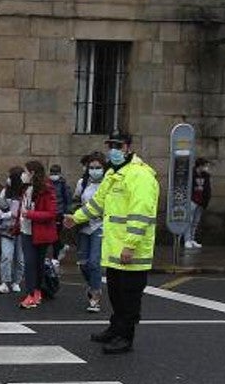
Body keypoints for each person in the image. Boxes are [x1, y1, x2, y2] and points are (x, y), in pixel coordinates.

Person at [65, 132, 159, 354]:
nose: (113, 151)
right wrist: (76, 218)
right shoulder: (113, 174)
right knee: (116, 292)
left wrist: (130, 245)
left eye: (117, 146)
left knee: (129, 296)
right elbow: (98, 203)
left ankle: (126, 337)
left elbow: (141, 213)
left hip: (131, 251)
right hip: (115, 249)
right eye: (110, 146)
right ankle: (115, 329)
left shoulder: (140, 175)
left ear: (127, 147)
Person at [18, 160, 59, 309]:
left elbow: (51, 213)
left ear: (32, 173)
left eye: (26, 172)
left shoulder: (46, 189)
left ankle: (33, 293)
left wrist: (30, 214)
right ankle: (33, 292)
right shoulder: (26, 189)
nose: (24, 175)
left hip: (39, 232)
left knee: (36, 263)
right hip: (26, 230)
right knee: (30, 263)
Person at [73, 152, 106, 313]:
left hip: (100, 226)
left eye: (98, 167)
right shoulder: (82, 183)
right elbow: (75, 201)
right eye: (91, 167)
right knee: (83, 263)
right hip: (84, 225)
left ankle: (95, 295)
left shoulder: (108, 183)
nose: (94, 170)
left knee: (94, 262)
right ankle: (92, 284)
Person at [0, 167, 26, 294]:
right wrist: (10, 214)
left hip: (22, 229)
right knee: (6, 256)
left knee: (20, 258)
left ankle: (16, 281)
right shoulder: (5, 192)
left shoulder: (25, 193)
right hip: (6, 230)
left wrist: (16, 214)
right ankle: (5, 282)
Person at [186, 158, 212, 249]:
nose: (207, 168)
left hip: (201, 201)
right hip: (192, 200)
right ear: (200, 166)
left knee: (195, 221)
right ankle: (187, 240)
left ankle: (192, 239)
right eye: (206, 166)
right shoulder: (191, 174)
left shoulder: (206, 176)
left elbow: (207, 188)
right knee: (189, 220)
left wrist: (206, 200)